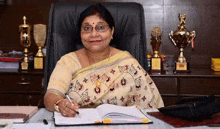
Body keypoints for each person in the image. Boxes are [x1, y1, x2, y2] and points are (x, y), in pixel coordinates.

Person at [44, 3, 164, 117]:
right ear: (80, 33)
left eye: (100, 28)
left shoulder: (127, 63)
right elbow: (51, 95)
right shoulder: (68, 61)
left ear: (112, 32)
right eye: (87, 28)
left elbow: (148, 107)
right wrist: (59, 104)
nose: (94, 34)